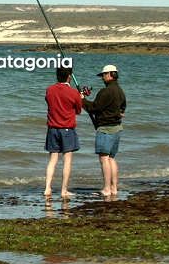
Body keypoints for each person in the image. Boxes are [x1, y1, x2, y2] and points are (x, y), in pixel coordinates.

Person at [82, 64, 126, 197]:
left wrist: (82, 100)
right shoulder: (120, 91)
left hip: (106, 129)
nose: (102, 78)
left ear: (110, 75)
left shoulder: (105, 91)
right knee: (111, 158)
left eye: (103, 75)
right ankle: (114, 188)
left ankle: (106, 189)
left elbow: (93, 108)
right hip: (117, 128)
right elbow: (123, 108)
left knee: (104, 158)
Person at [44, 67, 83, 200]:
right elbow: (78, 110)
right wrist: (80, 97)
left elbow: (50, 102)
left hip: (52, 129)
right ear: (69, 77)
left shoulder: (49, 90)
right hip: (67, 129)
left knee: (52, 160)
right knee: (67, 160)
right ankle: (64, 190)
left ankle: (47, 188)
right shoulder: (73, 93)